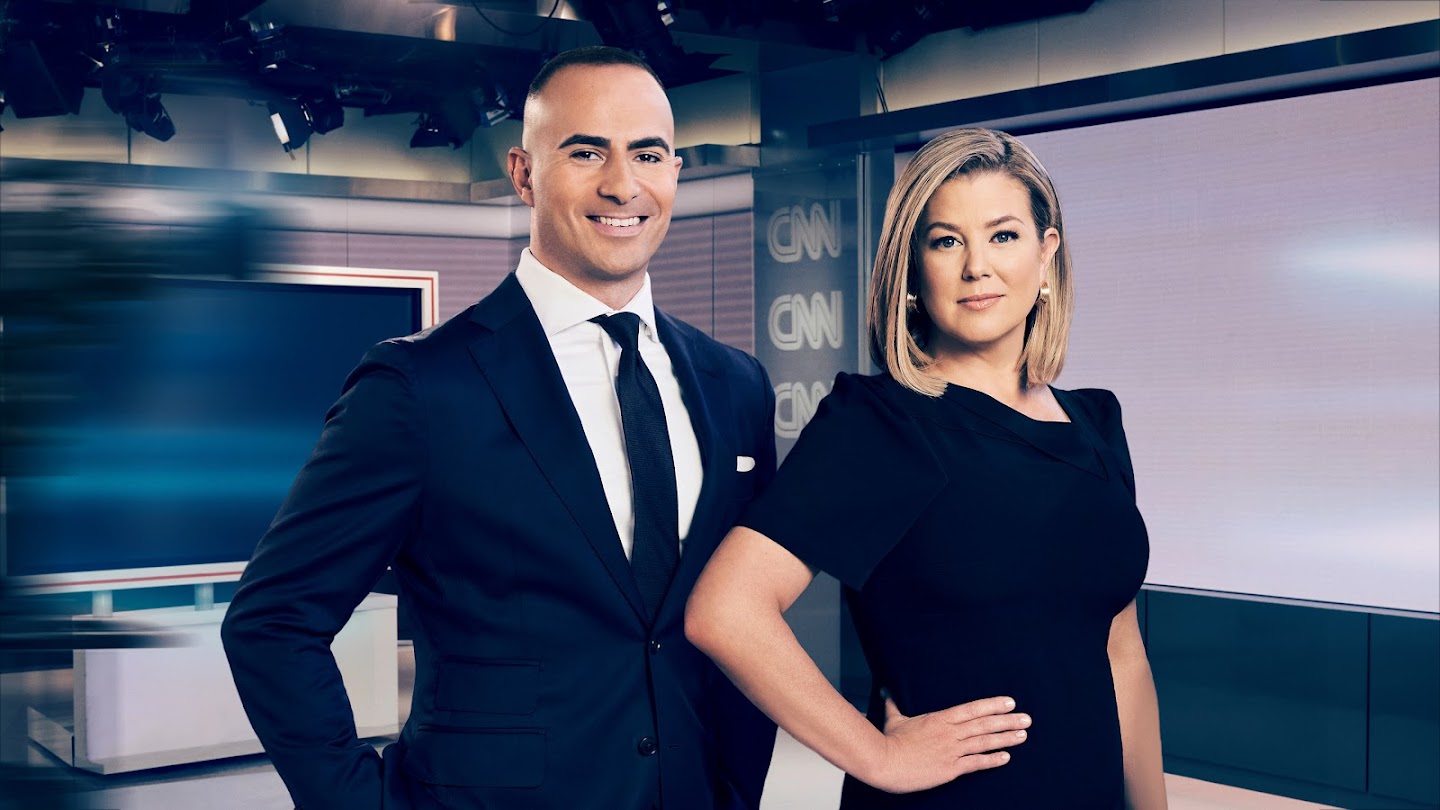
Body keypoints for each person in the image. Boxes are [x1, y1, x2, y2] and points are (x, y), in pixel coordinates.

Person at [222, 46, 780, 810]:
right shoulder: (419, 388)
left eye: (647, 154)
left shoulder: (735, 386)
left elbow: (742, 615)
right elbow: (273, 621)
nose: (623, 184)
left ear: (675, 172)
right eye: (586, 152)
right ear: (523, 173)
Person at [686, 128, 1166, 809]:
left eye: (1003, 236)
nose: (977, 267)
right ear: (912, 270)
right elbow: (725, 610)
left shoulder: (1096, 424)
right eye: (946, 241)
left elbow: (1121, 654)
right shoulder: (881, 424)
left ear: (1046, 254)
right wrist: (877, 753)